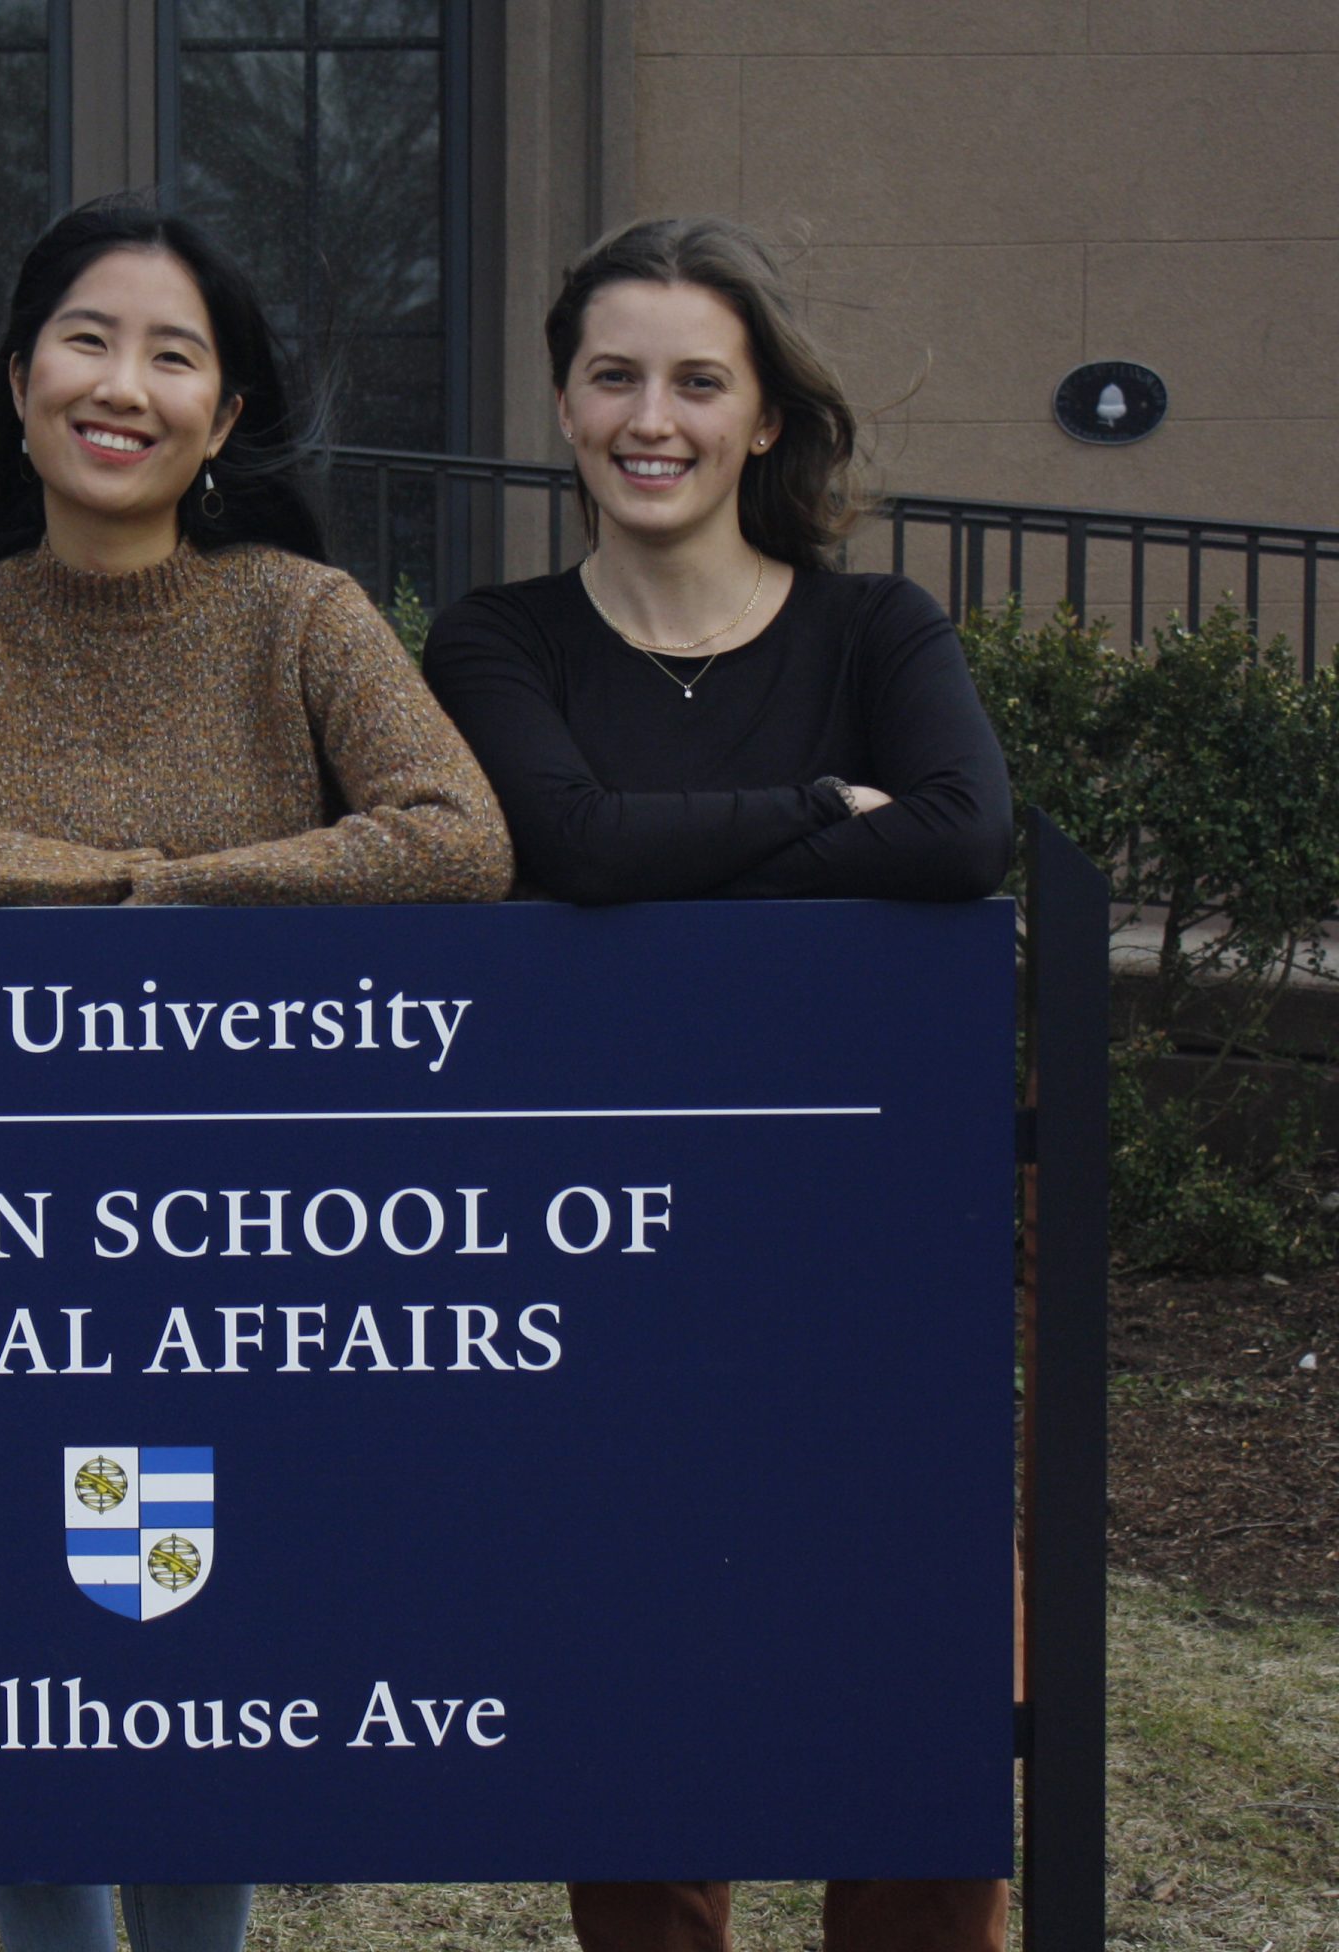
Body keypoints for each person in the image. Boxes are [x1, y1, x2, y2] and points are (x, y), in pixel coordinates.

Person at [0, 198, 513, 1952]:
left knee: (209, 1662)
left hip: (253, 1250)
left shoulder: (301, 616)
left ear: (226, 413)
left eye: (172, 355)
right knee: (20, 1657)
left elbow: (455, 836)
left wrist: (170, 893)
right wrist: (144, 886)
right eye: (87, 340)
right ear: (17, 380)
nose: (122, 384)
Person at [422, 216, 1014, 1952]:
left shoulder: (877, 630)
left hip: (865, 1257)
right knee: (649, 1751)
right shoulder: (499, 642)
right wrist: (826, 815)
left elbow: (962, 838)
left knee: (910, 1738)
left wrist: (663, 863)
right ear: (563, 404)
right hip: (610, 1270)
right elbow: (571, 847)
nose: (651, 418)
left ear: (763, 417)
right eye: (614, 377)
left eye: (698, 381)